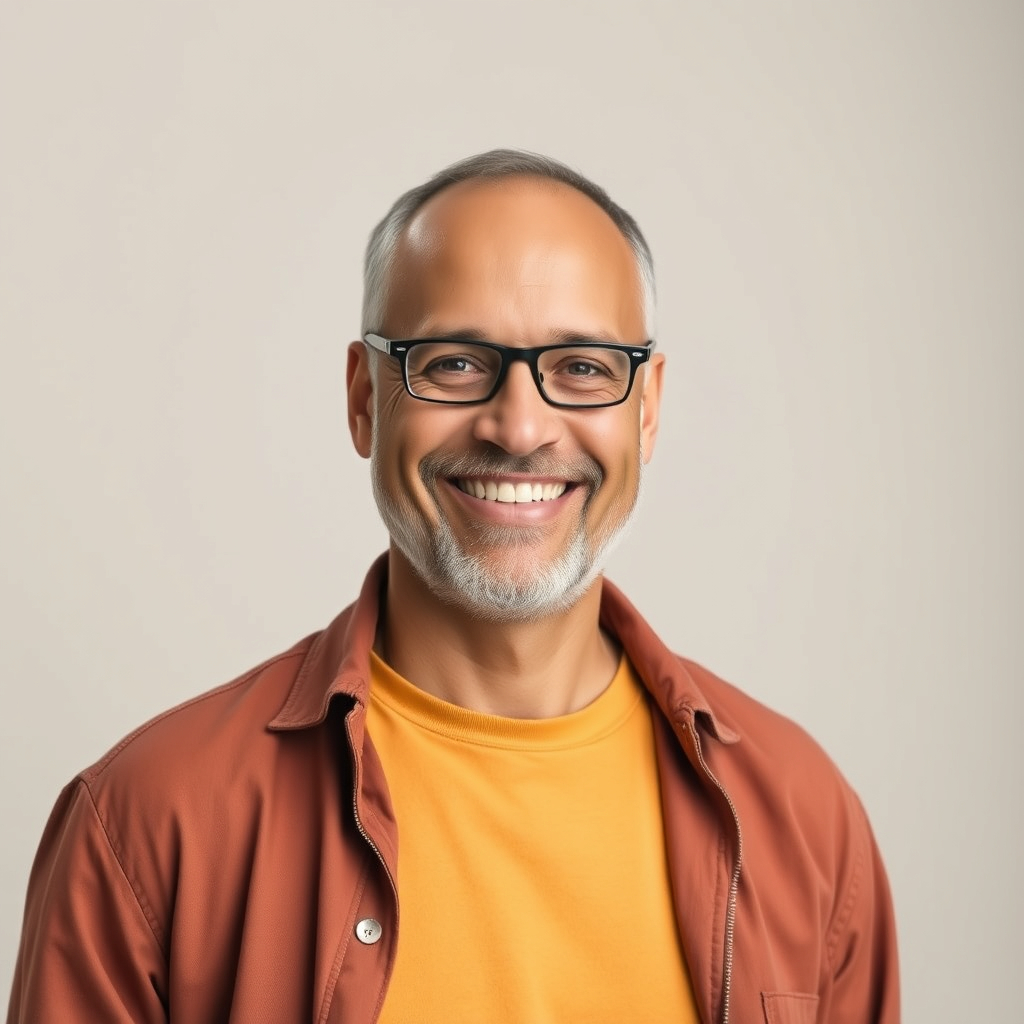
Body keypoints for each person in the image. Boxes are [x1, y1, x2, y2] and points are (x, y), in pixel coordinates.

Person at [7, 149, 899, 1024]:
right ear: (364, 397)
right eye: (455, 362)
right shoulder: (148, 821)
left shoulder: (807, 820)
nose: (519, 428)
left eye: (584, 367)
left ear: (649, 409)